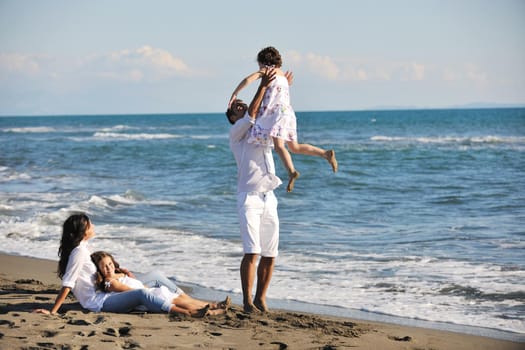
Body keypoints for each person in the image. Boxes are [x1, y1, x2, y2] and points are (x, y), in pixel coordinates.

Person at [32, 213, 218, 317]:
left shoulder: (84, 247)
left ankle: (196, 302)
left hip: (106, 289)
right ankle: (186, 312)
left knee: (156, 276)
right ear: (83, 231)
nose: (93, 226)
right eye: (90, 225)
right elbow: (68, 284)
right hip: (99, 302)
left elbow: (99, 269)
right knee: (142, 293)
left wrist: (120, 272)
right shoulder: (79, 252)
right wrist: (52, 311)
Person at [229, 46, 338, 192]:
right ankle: (325, 153)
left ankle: (291, 172)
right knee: (295, 147)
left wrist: (235, 93)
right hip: (288, 113)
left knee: (279, 146)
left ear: (263, 62)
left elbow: (248, 79)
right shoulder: (283, 77)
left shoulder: (267, 71)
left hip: (276, 113)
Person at [225, 67, 280, 313]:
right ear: (233, 118)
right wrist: (262, 85)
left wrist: (280, 85)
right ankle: (247, 301)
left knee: (270, 253)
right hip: (248, 198)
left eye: (242, 104)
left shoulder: (259, 128)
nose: (241, 106)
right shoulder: (236, 132)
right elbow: (253, 111)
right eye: (236, 107)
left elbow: (271, 110)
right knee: (252, 252)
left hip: (269, 197)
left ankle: (260, 299)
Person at [91, 251, 230, 316]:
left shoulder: (118, 273)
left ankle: (211, 305)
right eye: (104, 266)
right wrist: (148, 289)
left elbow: (133, 283)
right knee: (180, 301)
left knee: (182, 298)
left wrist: (126, 274)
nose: (108, 268)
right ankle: (210, 311)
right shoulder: (110, 282)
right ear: (99, 270)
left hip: (146, 290)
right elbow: (130, 290)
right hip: (143, 296)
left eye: (110, 263)